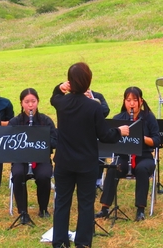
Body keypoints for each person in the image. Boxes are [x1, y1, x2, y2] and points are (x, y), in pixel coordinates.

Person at [51, 63, 129, 248]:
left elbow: (54, 97)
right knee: (85, 204)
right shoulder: (93, 107)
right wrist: (119, 131)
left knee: (62, 202)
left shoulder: (61, 103)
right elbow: (105, 135)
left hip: (63, 162)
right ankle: (83, 243)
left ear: (70, 82)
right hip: (86, 163)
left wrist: (60, 87)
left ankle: (60, 242)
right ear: (88, 81)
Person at [95, 86, 161, 222]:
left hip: (144, 156)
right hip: (124, 156)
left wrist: (141, 137)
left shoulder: (148, 117)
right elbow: (110, 138)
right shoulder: (118, 118)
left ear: (141, 101)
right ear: (124, 101)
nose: (131, 104)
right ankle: (105, 208)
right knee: (113, 168)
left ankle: (140, 209)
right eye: (128, 100)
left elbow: (157, 140)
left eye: (135, 100)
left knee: (142, 169)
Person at [50, 80, 110, 190]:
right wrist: (119, 132)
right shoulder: (68, 101)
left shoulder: (96, 98)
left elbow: (105, 111)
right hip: (80, 155)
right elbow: (105, 134)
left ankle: (98, 180)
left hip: (75, 155)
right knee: (85, 200)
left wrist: (91, 100)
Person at [9, 88, 58, 223]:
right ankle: (23, 211)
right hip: (20, 159)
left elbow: (55, 141)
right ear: (21, 103)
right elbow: (8, 144)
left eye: (33, 101)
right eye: (27, 102)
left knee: (44, 175)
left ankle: (43, 209)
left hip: (41, 159)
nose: (30, 105)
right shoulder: (15, 122)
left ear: (38, 102)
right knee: (18, 174)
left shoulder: (45, 121)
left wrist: (40, 138)